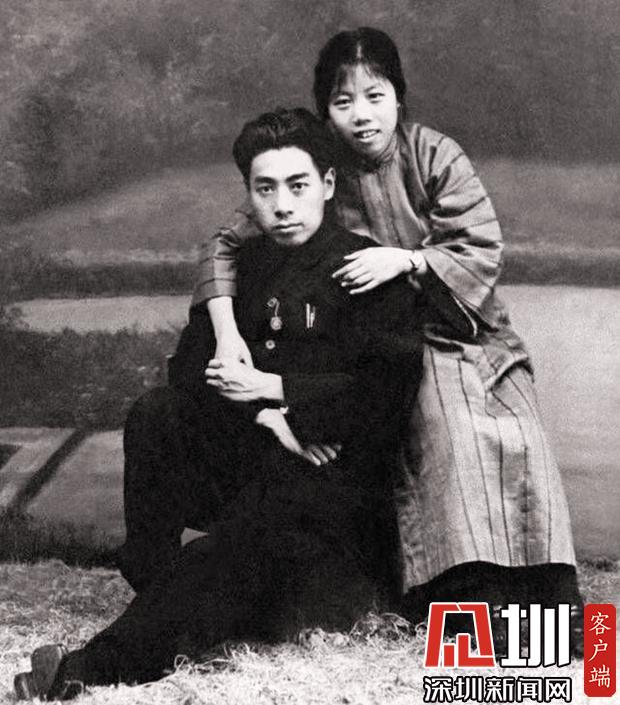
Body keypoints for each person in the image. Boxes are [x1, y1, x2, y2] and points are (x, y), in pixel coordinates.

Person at [14, 107, 424, 700]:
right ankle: (158, 591)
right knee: (157, 415)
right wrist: (266, 415)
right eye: (265, 188)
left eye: (298, 185)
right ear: (248, 194)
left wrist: (284, 399)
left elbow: (384, 402)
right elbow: (189, 371)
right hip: (257, 464)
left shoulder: (367, 270)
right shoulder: (243, 269)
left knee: (228, 557)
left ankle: (84, 669)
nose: (282, 205)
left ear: (329, 184)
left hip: (332, 497)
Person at [194, 27, 582, 631]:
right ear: (326, 110)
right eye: (343, 101)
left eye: (375, 97)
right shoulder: (319, 169)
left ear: (398, 97)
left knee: (517, 429)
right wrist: (226, 332)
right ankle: (468, 596)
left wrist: (409, 260)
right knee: (448, 429)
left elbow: (480, 246)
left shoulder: (434, 154)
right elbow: (225, 242)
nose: (362, 116)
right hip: (386, 341)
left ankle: (549, 597)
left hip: (468, 327)